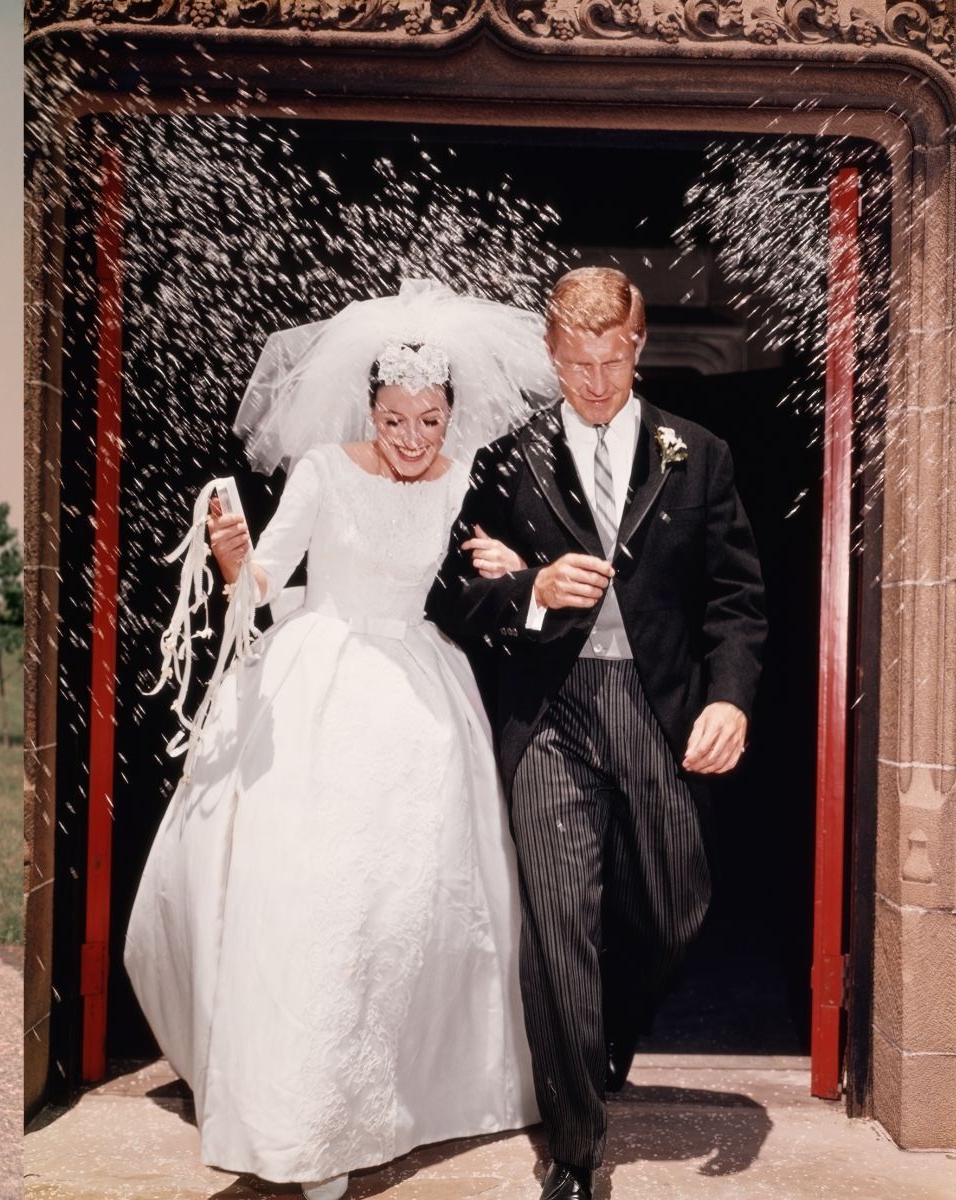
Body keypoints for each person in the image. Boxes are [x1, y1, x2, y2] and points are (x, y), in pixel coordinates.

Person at [126, 280, 551, 1200]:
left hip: (421, 706)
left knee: (406, 910)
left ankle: (394, 1091)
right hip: (321, 687)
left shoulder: (464, 468)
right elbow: (268, 587)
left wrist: (522, 568)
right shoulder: (322, 469)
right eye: (395, 419)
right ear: (370, 409)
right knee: (318, 905)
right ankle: (303, 1124)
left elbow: (502, 562)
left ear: (451, 415)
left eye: (429, 420)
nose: (411, 439)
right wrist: (235, 552)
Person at [426, 267, 766, 1200]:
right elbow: (449, 595)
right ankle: (574, 1151)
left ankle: (605, 1030)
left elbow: (738, 603)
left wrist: (728, 698)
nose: (594, 382)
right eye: (575, 364)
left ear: (639, 347)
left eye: (610, 362)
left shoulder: (698, 453)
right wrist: (529, 591)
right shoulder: (502, 458)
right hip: (548, 718)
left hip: (658, 713)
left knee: (675, 906)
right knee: (557, 925)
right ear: (551, 354)